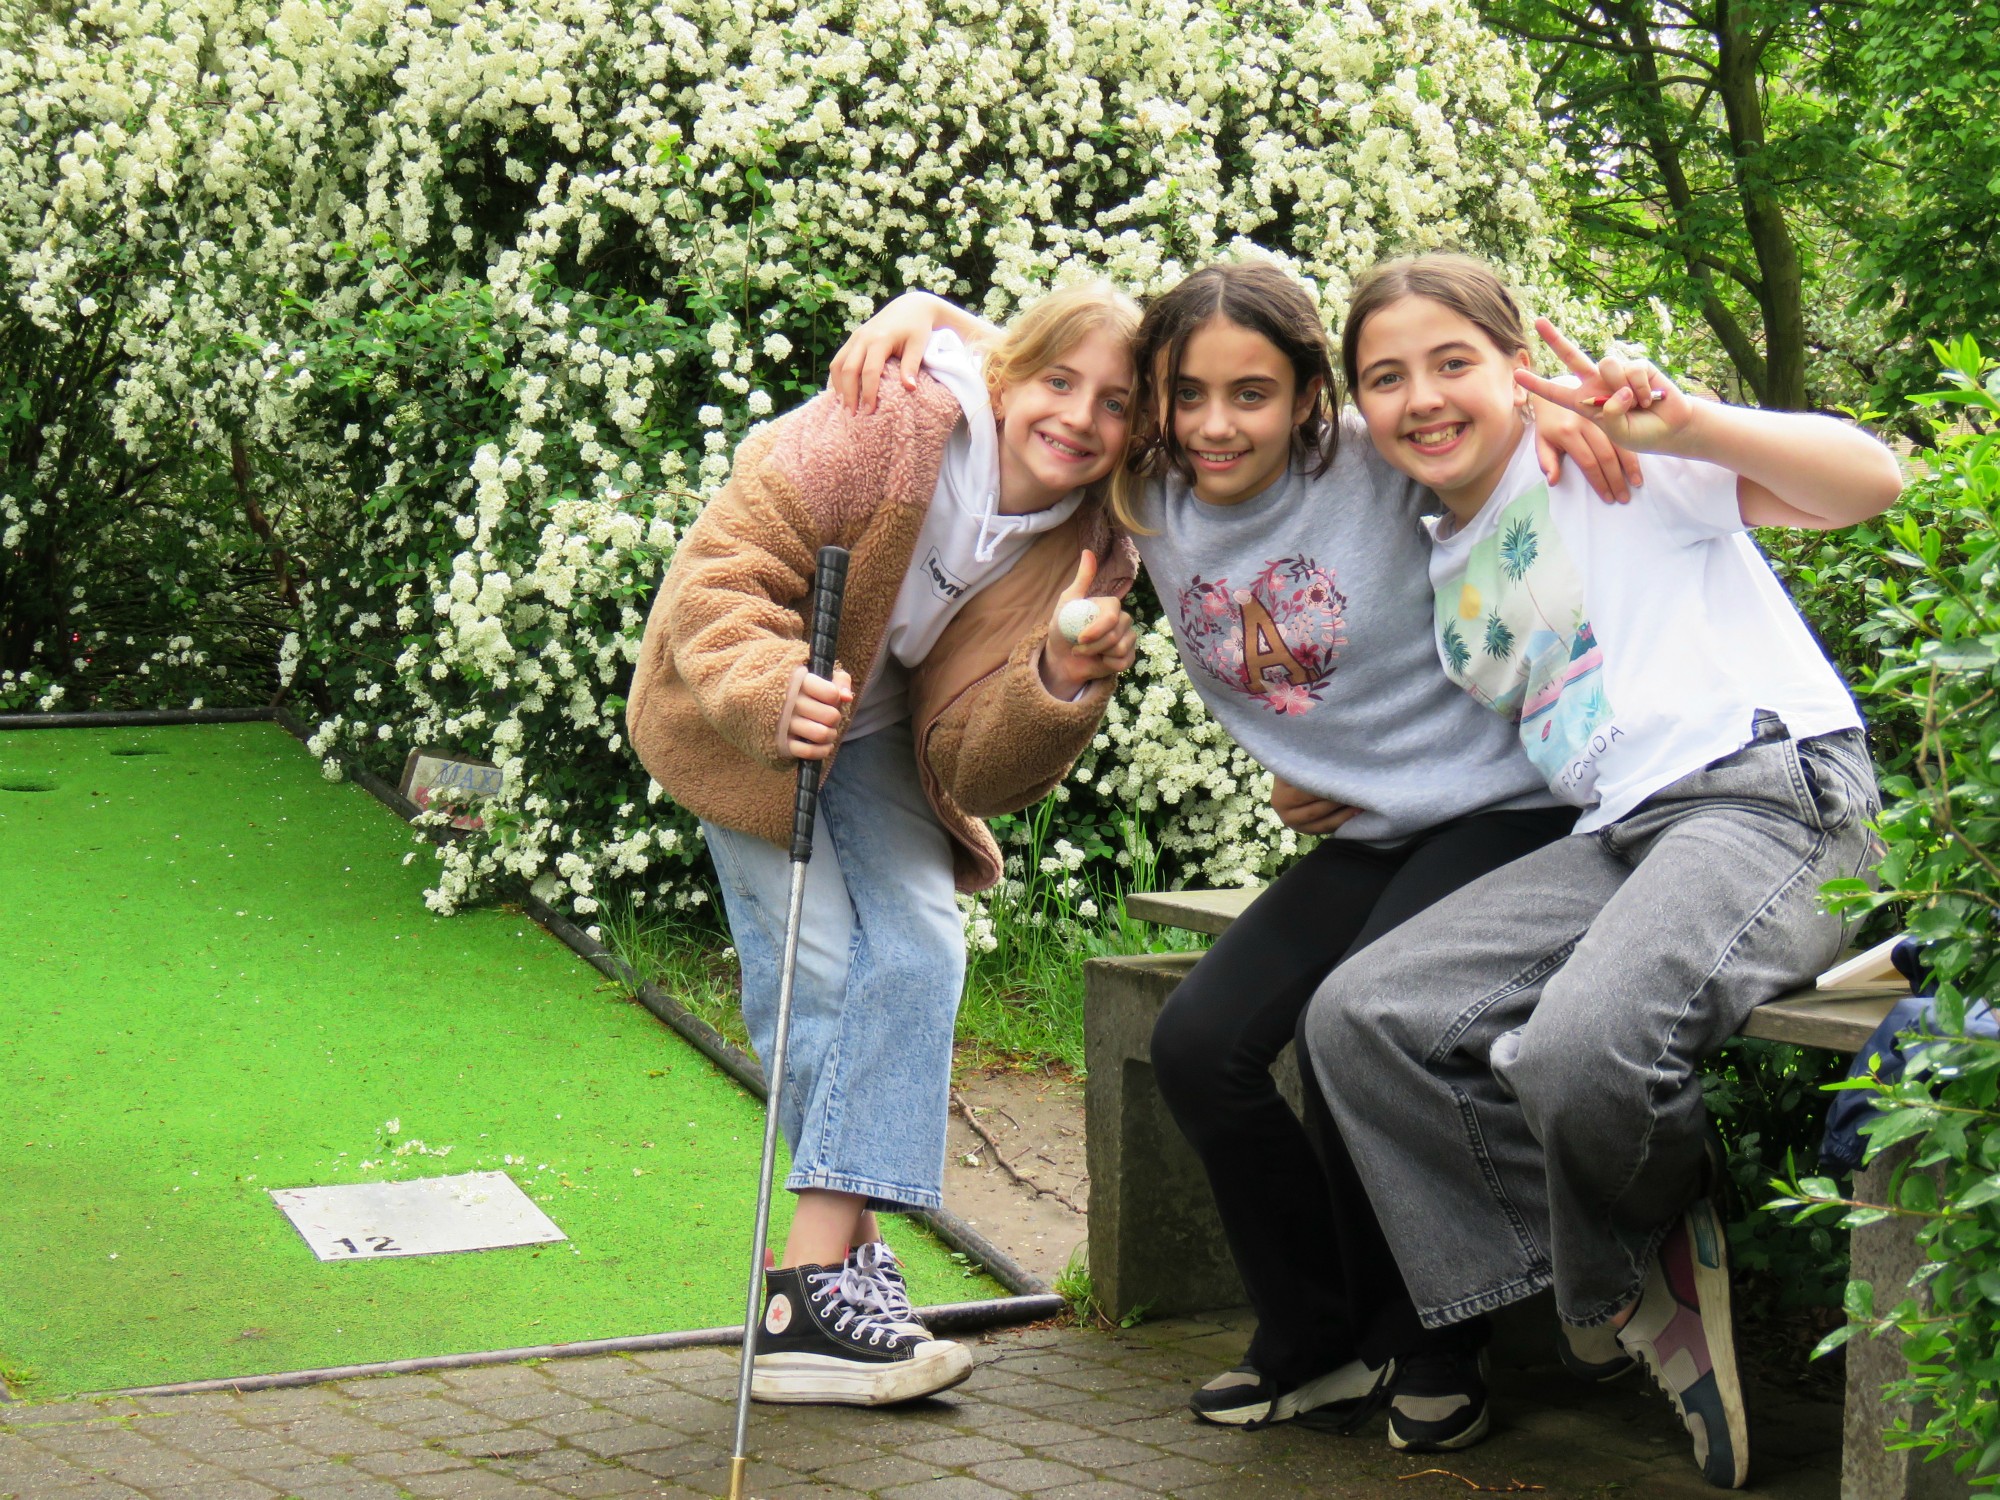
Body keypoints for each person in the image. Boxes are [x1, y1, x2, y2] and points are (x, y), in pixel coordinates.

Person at [828, 261, 1636, 1448]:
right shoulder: (1139, 485)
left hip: (1501, 811)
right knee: (1200, 1046)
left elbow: (1482, 420)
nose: (1214, 425)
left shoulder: (1375, 457)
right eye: (1185, 394)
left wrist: (1565, 412)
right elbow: (1036, 373)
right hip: (1368, 830)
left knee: (1350, 1029)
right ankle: (1316, 1337)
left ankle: (1431, 1335)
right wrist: (916, 313)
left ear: (1311, 392)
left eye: (1251, 394)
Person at [1304, 252, 1901, 1487]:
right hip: (1621, 836)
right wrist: (1329, 778)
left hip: (1771, 795)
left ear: (1517, 364)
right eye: (1384, 376)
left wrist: (1686, 419)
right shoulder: (1440, 554)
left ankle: (1621, 1268)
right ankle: (1631, 1258)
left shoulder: (1609, 455)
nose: (1419, 396)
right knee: (1361, 1017)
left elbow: (1868, 480)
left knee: (1579, 1052)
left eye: (1452, 362)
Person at [626, 282, 1144, 1406]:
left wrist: (1056, 680)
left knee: (919, 952)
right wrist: (771, 693)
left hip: (883, 738)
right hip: (751, 723)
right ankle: (829, 1288)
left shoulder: (1087, 551)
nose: (1077, 416)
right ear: (1006, 375)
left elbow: (975, 764)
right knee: (815, 978)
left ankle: (808, 1292)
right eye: (1058, 381)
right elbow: (721, 574)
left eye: (1112, 402)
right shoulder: (881, 425)